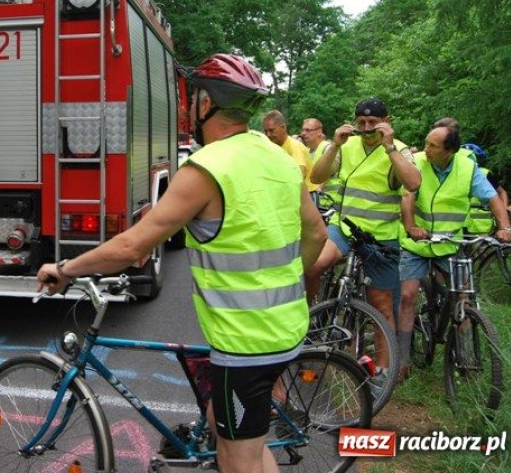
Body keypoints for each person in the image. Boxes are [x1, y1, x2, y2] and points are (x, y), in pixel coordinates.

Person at [37, 54, 327, 473]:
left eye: (192, 99)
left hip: (245, 343)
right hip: (287, 327)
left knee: (237, 458)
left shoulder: (207, 167)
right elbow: (316, 234)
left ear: (205, 103)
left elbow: (133, 246)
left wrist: (64, 270)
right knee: (228, 428)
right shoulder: (279, 160)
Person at [306, 97, 421, 394]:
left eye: (373, 123)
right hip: (345, 228)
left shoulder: (399, 149)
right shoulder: (346, 145)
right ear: (355, 122)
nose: (367, 128)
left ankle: (382, 370)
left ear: (386, 121)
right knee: (314, 264)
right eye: (362, 122)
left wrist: (390, 147)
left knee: (382, 306)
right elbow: (317, 176)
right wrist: (334, 145)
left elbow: (413, 183)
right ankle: (303, 324)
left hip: (380, 236)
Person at [397, 125, 511, 380]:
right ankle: (402, 360)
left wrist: (504, 227)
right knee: (407, 296)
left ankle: (467, 362)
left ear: (449, 151)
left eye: (433, 146)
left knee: (463, 298)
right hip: (416, 243)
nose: (426, 149)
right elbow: (407, 196)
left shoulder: (467, 168)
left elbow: (493, 198)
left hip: (450, 243)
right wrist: (410, 226)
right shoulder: (416, 161)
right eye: (426, 143)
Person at [262, 110, 312, 189]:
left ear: (283, 127)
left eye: (271, 130)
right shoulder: (274, 148)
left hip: (306, 196)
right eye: (265, 131)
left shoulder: (295, 147)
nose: (268, 134)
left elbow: (300, 175)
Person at [299, 118, 333, 201]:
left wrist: (317, 191)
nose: (303, 133)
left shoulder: (328, 148)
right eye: (303, 130)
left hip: (326, 202)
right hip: (312, 201)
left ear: (319, 132)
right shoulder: (306, 150)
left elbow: (330, 172)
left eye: (308, 130)